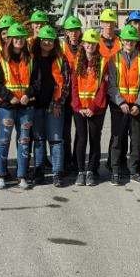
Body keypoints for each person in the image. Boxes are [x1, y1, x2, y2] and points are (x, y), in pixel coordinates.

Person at [0, 23, 35, 189]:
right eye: (15, 38)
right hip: (7, 107)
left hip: (25, 107)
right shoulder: (0, 59)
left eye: (21, 38)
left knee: (24, 141)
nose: (19, 41)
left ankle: (21, 176)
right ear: (9, 40)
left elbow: (36, 82)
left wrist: (27, 95)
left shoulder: (30, 59)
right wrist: (10, 97)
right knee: (4, 140)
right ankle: (1, 175)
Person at [107, 25, 140, 185]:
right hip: (119, 106)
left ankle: (134, 171)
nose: (129, 43)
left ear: (136, 41)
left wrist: (138, 105)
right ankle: (116, 170)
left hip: (137, 107)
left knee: (136, 140)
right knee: (118, 139)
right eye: (126, 40)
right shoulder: (114, 59)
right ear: (122, 41)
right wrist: (121, 102)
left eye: (132, 40)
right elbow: (111, 85)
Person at [30, 25, 70, 187]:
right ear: (39, 41)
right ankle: (39, 171)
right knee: (38, 140)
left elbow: (66, 84)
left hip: (54, 106)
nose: (47, 42)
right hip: (36, 105)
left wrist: (58, 103)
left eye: (50, 40)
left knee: (55, 141)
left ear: (55, 42)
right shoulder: (31, 58)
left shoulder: (61, 59)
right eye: (44, 39)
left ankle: (57, 173)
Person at [71, 29, 109, 186]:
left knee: (94, 139)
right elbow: (73, 86)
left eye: (93, 43)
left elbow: (103, 88)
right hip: (79, 108)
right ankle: (80, 171)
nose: (90, 46)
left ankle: (91, 171)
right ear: (83, 44)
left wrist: (92, 107)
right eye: (87, 43)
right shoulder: (76, 61)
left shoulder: (103, 62)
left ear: (96, 45)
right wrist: (78, 106)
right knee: (81, 139)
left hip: (96, 109)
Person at [59, 15, 83, 174]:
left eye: (76, 30)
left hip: (81, 95)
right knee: (64, 130)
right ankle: (66, 160)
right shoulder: (60, 48)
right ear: (66, 32)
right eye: (70, 31)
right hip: (66, 94)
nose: (73, 34)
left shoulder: (85, 47)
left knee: (80, 131)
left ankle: (77, 160)